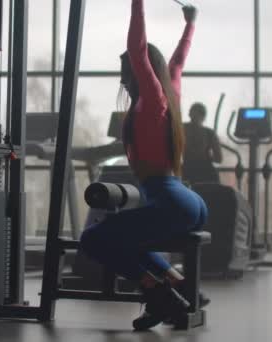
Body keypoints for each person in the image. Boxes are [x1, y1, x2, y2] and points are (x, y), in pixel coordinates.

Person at [79, 0, 208, 330]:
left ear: (141, 69)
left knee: (93, 239)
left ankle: (157, 294)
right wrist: (189, 24)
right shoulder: (169, 93)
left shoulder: (152, 98)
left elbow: (137, 47)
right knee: (125, 239)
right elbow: (177, 62)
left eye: (127, 69)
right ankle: (177, 284)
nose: (123, 76)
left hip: (169, 201)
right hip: (185, 200)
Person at [182, 103, 223, 184]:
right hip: (205, 173)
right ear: (204, 116)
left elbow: (219, 159)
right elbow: (218, 158)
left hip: (188, 172)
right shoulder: (209, 133)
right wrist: (206, 156)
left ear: (189, 114)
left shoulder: (182, 129)